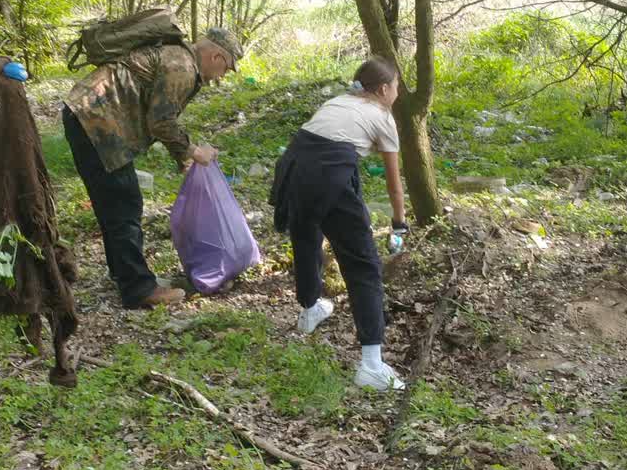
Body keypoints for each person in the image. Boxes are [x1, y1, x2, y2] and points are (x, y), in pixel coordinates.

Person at [62, 26, 243, 309]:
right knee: (125, 202)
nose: (221, 76)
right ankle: (138, 289)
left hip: (84, 113)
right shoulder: (182, 66)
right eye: (226, 69)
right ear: (218, 56)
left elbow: (155, 114)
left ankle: (122, 273)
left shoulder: (176, 56)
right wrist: (194, 152)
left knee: (112, 202)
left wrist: (182, 156)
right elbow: (160, 122)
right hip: (98, 121)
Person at [270, 56, 408, 390]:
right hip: (328, 175)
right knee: (363, 264)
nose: (397, 94)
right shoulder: (382, 117)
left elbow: (333, 143)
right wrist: (399, 223)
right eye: (397, 87)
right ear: (385, 88)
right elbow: (393, 183)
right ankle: (372, 366)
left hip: (292, 166)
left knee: (306, 235)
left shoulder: (338, 101)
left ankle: (310, 307)